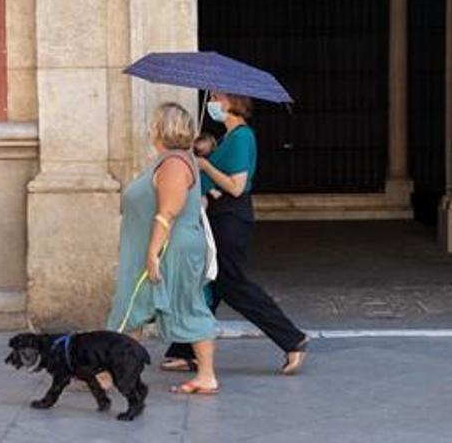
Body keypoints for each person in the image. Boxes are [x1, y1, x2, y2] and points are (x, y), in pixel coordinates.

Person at [161, 91, 310, 382]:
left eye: (216, 96)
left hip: (231, 219)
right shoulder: (228, 138)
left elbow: (237, 186)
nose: (211, 102)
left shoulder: (242, 136)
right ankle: (184, 350)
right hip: (220, 218)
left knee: (233, 284)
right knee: (212, 283)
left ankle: (292, 339)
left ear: (232, 102)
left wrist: (204, 165)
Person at [106, 102, 219, 395]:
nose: (150, 126)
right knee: (133, 307)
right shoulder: (171, 160)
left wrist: (152, 253)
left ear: (162, 127)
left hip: (168, 248)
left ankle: (206, 376)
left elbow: (167, 212)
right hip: (163, 247)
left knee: (173, 305)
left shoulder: (174, 164)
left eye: (154, 121)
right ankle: (110, 371)